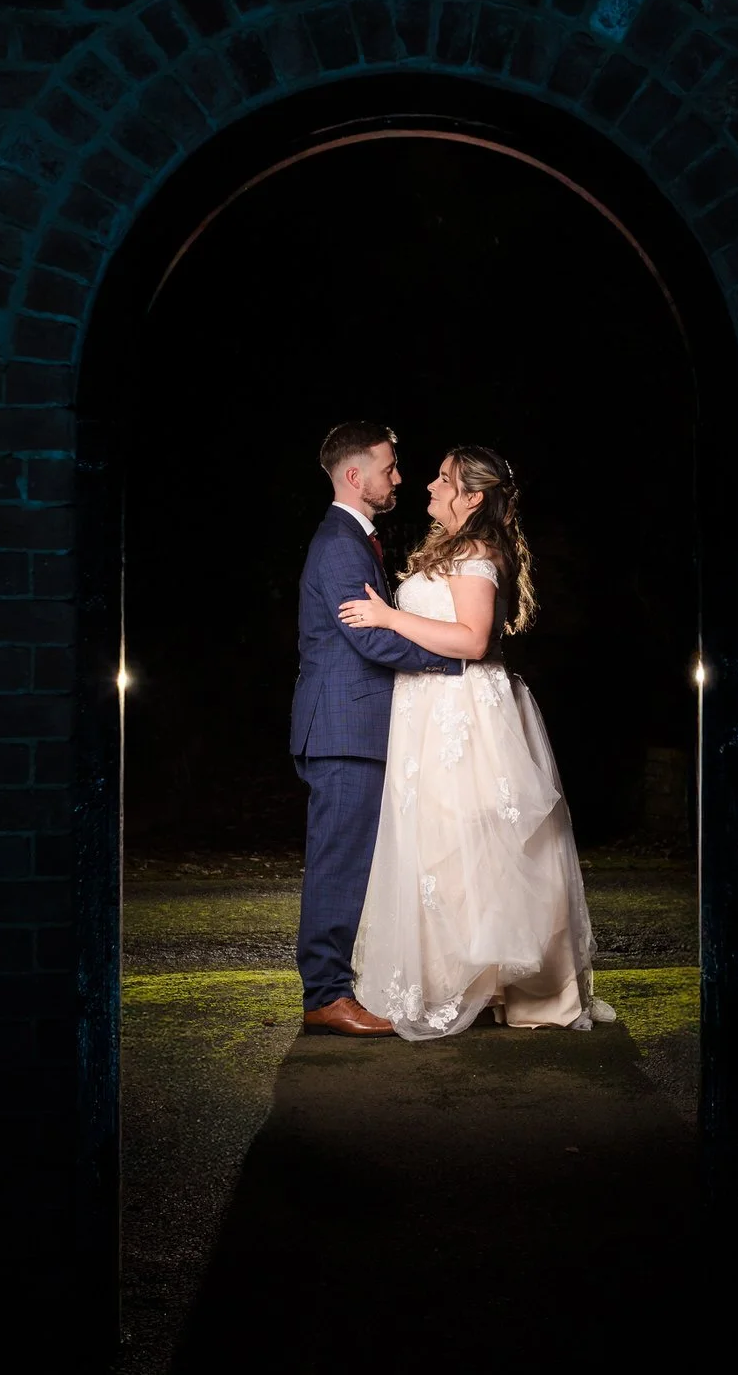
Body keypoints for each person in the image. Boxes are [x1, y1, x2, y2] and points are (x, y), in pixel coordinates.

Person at [339, 445, 617, 1041]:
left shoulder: (476, 551)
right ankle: (466, 978)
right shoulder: (451, 547)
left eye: (445, 480)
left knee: (474, 837)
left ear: (473, 498)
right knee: (442, 840)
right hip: (429, 708)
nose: (431, 487)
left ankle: (512, 984)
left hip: (462, 709)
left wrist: (388, 618)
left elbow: (471, 639)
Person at [290, 421, 464, 1037]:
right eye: (389, 468)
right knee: (339, 861)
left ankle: (335, 989)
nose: (398, 478)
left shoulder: (355, 540)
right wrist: (450, 660)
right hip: (343, 726)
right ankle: (327, 996)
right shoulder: (340, 541)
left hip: (354, 723)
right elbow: (367, 636)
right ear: (355, 475)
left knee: (352, 859)